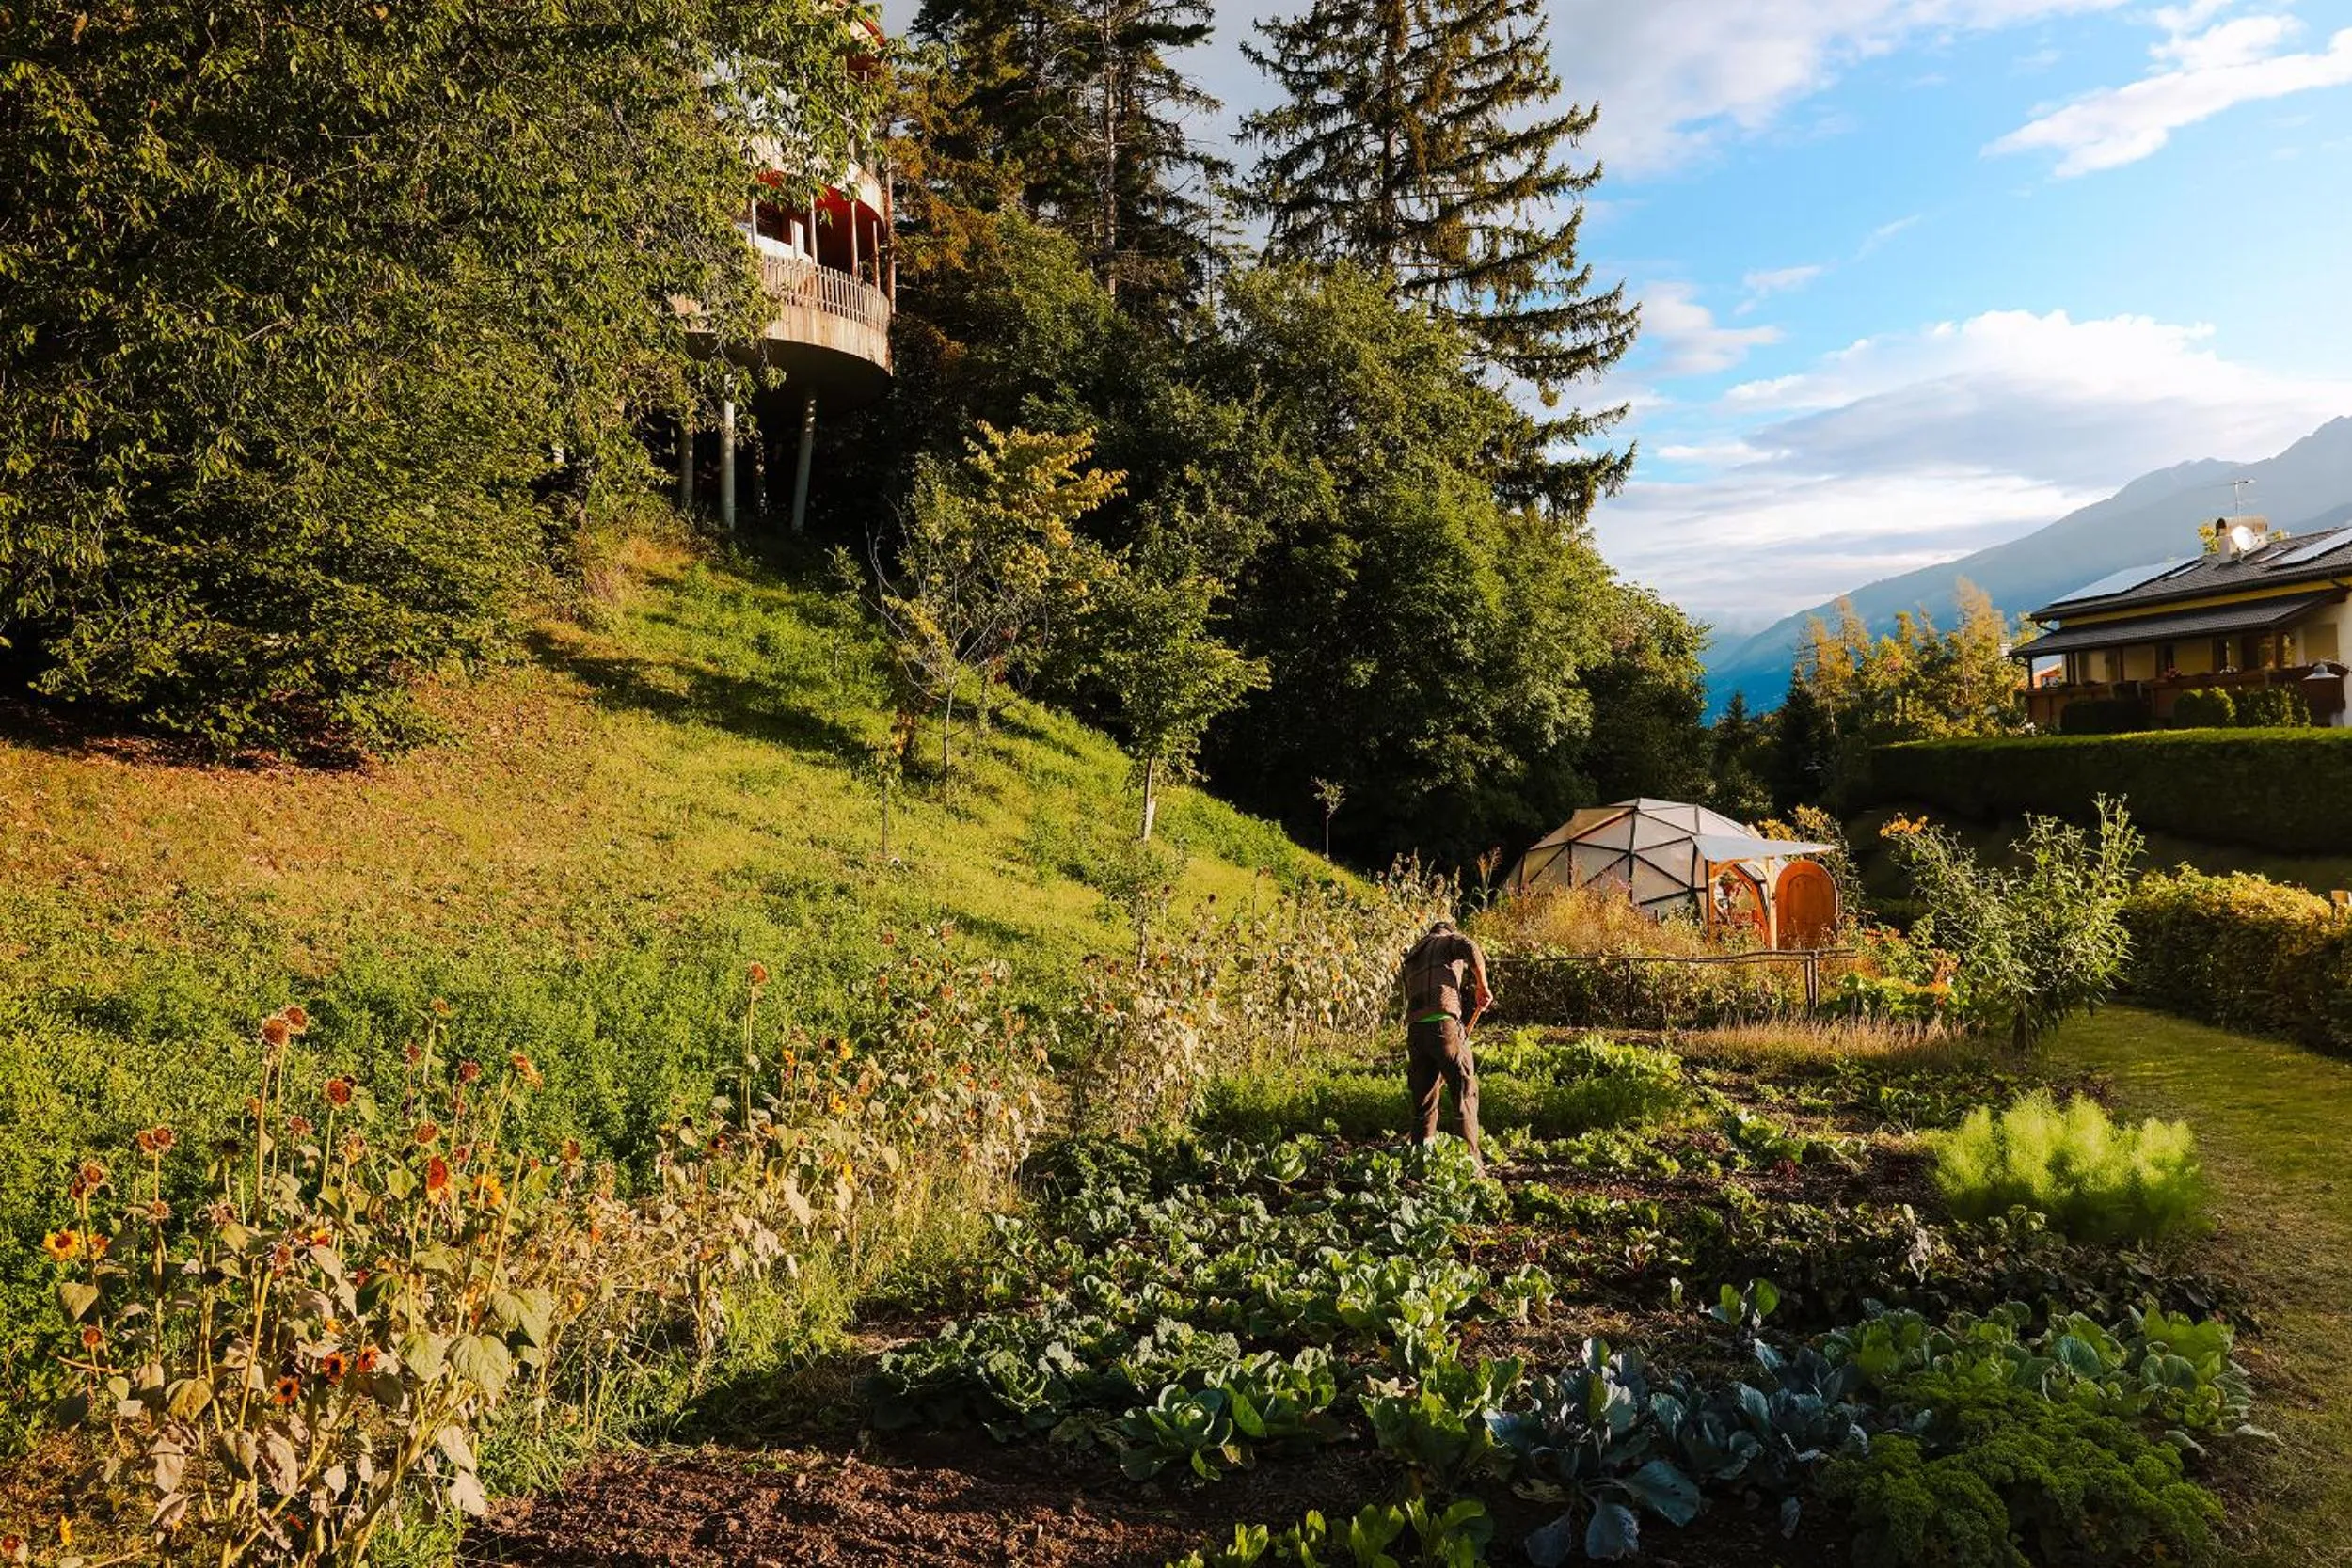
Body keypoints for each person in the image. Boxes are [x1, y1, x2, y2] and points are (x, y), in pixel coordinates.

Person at [1397, 917, 1490, 1173]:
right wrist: (1482, 984)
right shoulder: (1448, 942)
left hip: (1416, 1031)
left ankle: (1421, 1163)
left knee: (1424, 1099)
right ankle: (1471, 1165)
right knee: (1464, 1089)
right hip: (1444, 1025)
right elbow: (1470, 946)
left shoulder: (1413, 954)